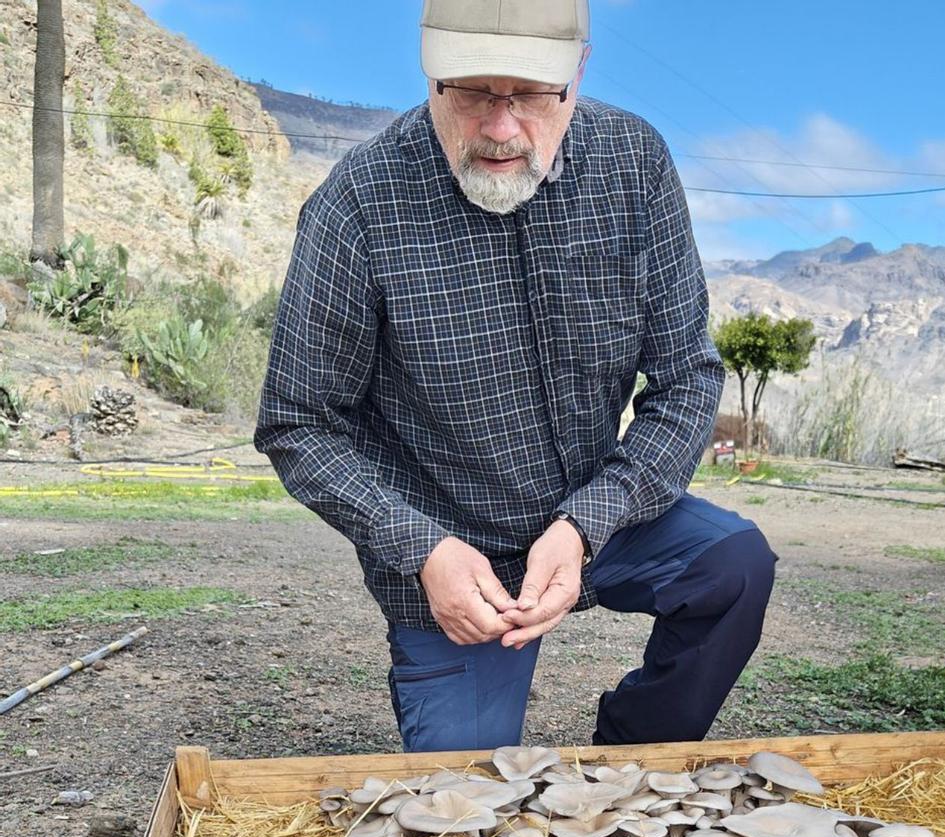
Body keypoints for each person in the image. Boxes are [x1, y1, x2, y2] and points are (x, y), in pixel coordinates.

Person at [255, 0, 776, 753]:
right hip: (451, 558)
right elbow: (299, 421)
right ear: (431, 74)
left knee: (734, 565)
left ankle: (631, 758)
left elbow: (688, 377)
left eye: (531, 95)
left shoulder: (635, 166)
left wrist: (587, 522)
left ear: (578, 72)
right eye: (471, 92)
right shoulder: (357, 206)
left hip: (600, 521)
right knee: (463, 808)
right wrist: (420, 548)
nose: (501, 129)